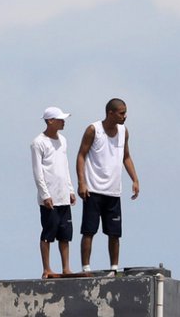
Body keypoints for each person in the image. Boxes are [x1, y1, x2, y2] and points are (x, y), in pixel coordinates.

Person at [76, 98, 140, 273]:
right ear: (110, 113)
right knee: (89, 230)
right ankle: (86, 268)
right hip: (93, 189)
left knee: (114, 233)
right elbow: (81, 155)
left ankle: (114, 268)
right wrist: (82, 182)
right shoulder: (93, 130)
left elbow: (126, 156)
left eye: (125, 112)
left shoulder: (123, 131)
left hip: (113, 191)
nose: (125, 116)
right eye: (121, 113)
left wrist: (134, 179)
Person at [31, 107, 76, 278]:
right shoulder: (38, 142)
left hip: (63, 193)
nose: (63, 122)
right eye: (60, 119)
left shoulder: (63, 140)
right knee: (48, 232)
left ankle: (66, 268)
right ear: (50, 121)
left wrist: (70, 189)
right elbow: (38, 171)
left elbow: (64, 166)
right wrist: (45, 194)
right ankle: (47, 268)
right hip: (49, 196)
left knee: (65, 233)